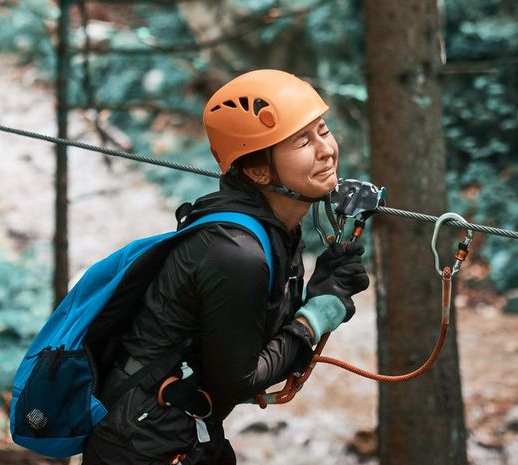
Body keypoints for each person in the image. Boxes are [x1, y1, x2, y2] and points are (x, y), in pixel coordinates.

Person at [82, 69, 370, 465]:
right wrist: (313, 318)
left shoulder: (273, 227)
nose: (326, 149)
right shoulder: (235, 253)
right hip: (144, 443)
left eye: (323, 130)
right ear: (256, 170)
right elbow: (237, 381)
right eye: (303, 141)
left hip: (172, 428)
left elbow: (243, 332)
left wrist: (317, 291)